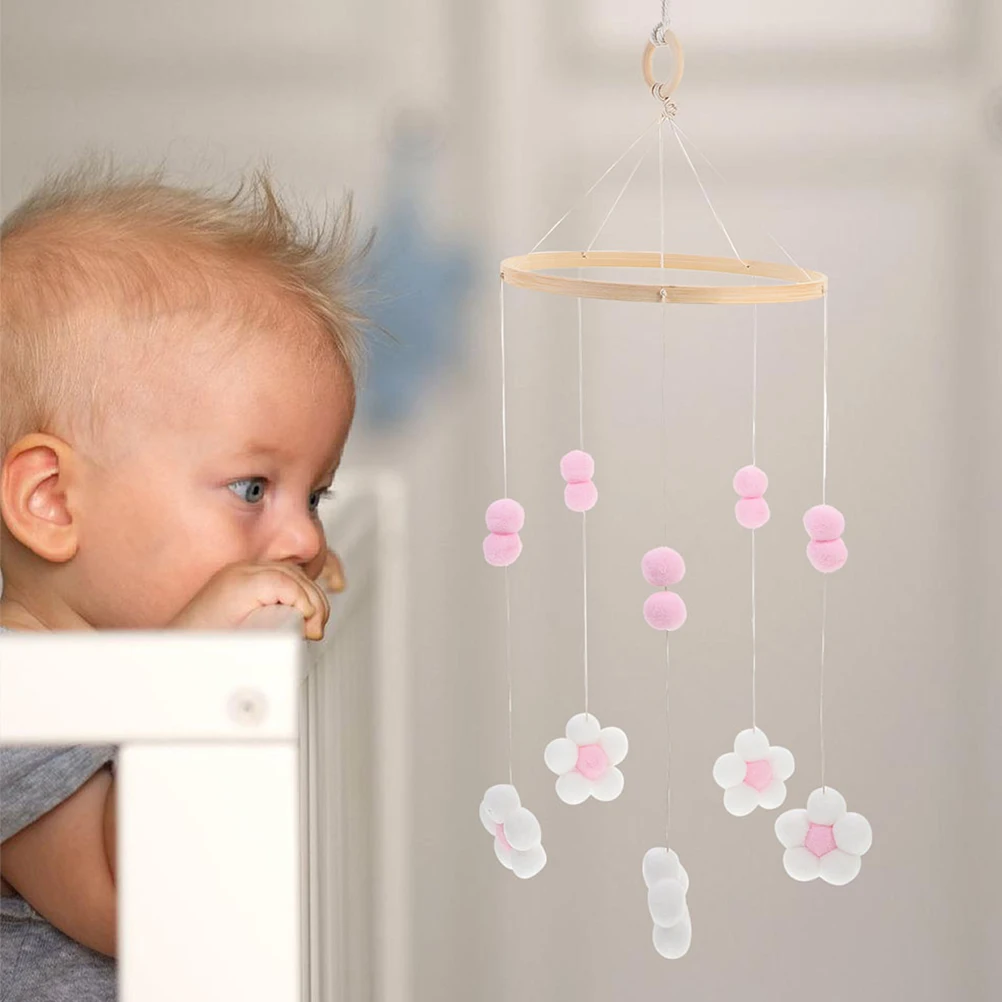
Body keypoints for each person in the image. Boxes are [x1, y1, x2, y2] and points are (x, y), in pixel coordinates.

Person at [0, 161, 369, 1000]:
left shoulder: (94, 651)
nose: (305, 533)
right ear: (54, 501)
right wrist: (194, 668)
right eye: (252, 489)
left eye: (315, 494)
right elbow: (140, 903)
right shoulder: (19, 702)